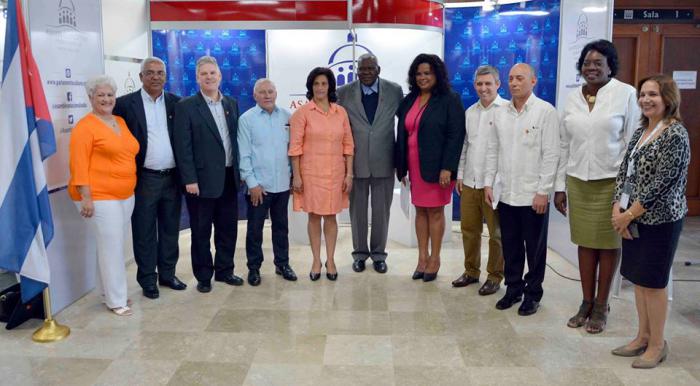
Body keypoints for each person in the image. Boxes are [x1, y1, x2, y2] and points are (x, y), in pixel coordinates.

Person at [554, 40, 639, 333]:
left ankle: (602, 305)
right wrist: (559, 186)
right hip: (578, 180)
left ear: (610, 66)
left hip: (611, 183)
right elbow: (564, 144)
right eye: (587, 63)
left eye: (598, 63)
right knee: (585, 242)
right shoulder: (572, 98)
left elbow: (632, 146)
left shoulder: (626, 94)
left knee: (608, 244)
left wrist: (626, 192)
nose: (591, 68)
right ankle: (586, 301)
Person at [610, 74, 689, 369]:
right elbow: (625, 172)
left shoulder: (675, 134)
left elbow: (663, 183)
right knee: (639, 281)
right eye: (643, 94)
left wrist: (628, 214)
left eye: (653, 94)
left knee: (654, 283)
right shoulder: (641, 130)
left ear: (668, 98)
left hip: (661, 221)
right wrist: (618, 207)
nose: (646, 99)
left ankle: (658, 344)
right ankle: (642, 336)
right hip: (631, 217)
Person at [484, 63, 559, 316]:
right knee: (511, 245)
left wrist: (543, 191)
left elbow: (551, 154)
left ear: (534, 81)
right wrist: (488, 182)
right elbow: (493, 150)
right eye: (511, 79)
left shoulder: (545, 112)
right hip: (507, 194)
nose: (515, 83)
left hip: (532, 196)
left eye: (520, 78)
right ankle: (513, 288)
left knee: (534, 250)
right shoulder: (501, 112)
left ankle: (533, 293)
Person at [113, 57, 185, 300]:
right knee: (143, 231)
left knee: (169, 229)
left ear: (166, 76)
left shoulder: (177, 103)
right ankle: (147, 279)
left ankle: (167, 274)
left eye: (160, 73)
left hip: (172, 177)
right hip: (143, 178)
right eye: (150, 73)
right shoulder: (124, 104)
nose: (156, 77)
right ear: (141, 76)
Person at [68, 75, 139, 316]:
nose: (107, 99)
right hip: (98, 197)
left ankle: (106, 292)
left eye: (110, 95)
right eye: (101, 95)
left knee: (109, 246)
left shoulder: (119, 120)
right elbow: (78, 165)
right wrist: (86, 196)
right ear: (90, 98)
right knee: (112, 249)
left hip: (125, 195)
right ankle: (117, 301)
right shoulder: (84, 127)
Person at [173, 56, 242, 293]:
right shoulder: (186, 106)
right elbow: (183, 147)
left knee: (227, 228)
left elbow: (235, 141)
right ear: (197, 78)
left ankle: (225, 271)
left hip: (229, 178)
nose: (209, 77)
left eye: (213, 73)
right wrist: (189, 179)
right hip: (200, 183)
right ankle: (204, 276)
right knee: (201, 231)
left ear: (220, 76)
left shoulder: (231, 103)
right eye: (204, 74)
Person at [395, 53, 465, 282]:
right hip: (414, 167)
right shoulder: (409, 100)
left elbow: (456, 135)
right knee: (420, 211)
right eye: (418, 74)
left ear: (437, 75)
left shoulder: (449, 99)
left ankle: (435, 259)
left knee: (435, 211)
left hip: (438, 168)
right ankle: (422, 258)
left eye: (427, 73)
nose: (422, 77)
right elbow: (403, 134)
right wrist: (401, 166)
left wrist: (448, 167)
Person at [337, 53, 403, 274]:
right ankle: (359, 254)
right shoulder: (343, 93)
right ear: (356, 70)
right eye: (362, 69)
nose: (365, 73)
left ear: (378, 69)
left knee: (381, 212)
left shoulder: (394, 91)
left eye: (370, 69)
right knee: (357, 212)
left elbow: (403, 126)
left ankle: (378, 254)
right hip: (355, 164)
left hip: (385, 160)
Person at [289, 67, 354, 281]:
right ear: (310, 87)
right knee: (315, 216)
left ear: (330, 87)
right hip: (311, 174)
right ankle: (316, 260)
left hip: (336, 173)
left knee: (331, 216)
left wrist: (349, 174)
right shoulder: (302, 113)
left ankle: (331, 260)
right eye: (316, 84)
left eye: (324, 84)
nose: (320, 88)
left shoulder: (340, 112)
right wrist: (297, 176)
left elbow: (348, 145)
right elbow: (295, 147)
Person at [453, 65, 507, 295]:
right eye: (479, 84)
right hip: (470, 182)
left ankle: (495, 276)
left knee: (496, 234)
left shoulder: (507, 110)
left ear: (498, 85)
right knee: (469, 229)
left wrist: (495, 181)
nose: (483, 88)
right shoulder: (470, 112)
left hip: (494, 185)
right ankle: (471, 271)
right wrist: (460, 175)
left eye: (488, 84)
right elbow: (466, 146)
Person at [237, 78, 297, 286]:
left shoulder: (288, 117)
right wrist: (252, 184)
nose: (267, 95)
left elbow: (292, 151)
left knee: (281, 228)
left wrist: (292, 177)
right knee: (255, 230)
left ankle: (282, 264)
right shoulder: (247, 119)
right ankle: (254, 268)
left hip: (282, 185)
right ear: (255, 96)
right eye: (262, 92)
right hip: (258, 187)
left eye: (270, 91)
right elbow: (243, 155)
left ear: (276, 93)